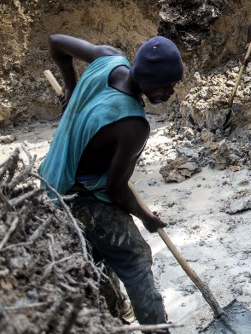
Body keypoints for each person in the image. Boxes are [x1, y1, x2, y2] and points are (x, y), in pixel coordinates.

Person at [39, 34, 184, 331]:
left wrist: (71, 85)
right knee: (134, 259)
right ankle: (156, 330)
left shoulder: (108, 57)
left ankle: (114, 312)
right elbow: (115, 191)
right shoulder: (132, 124)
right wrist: (146, 218)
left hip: (51, 174)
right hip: (77, 196)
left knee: (98, 252)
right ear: (144, 78)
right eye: (165, 85)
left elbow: (56, 42)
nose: (171, 91)